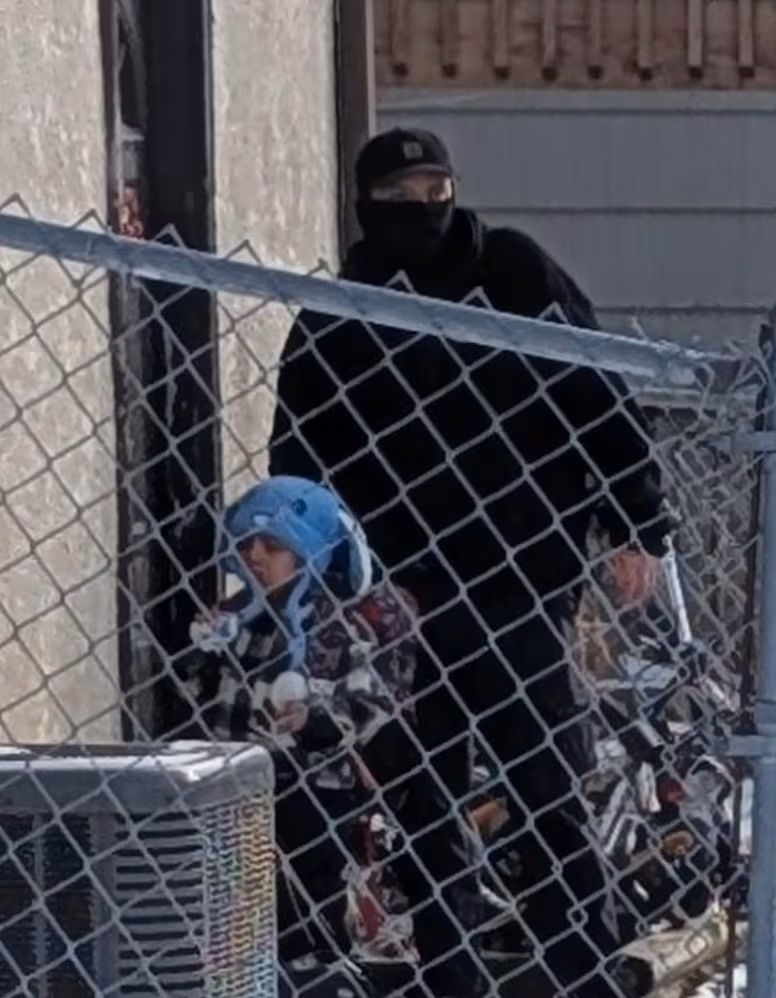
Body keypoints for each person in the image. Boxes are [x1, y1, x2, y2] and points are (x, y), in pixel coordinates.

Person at [267, 129, 673, 997]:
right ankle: (451, 974)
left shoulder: (514, 274)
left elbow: (596, 390)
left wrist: (638, 519)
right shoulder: (338, 314)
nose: (423, 206)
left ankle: (580, 968)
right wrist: (313, 574)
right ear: (366, 204)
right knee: (425, 797)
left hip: (521, 578)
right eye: (401, 193)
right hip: (400, 596)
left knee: (547, 784)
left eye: (435, 185)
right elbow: (300, 456)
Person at [181, 475, 489, 998]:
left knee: (308, 887)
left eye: (274, 546)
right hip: (234, 781)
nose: (256, 555)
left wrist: (315, 721)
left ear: (309, 551)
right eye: (248, 544)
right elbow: (202, 692)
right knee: (232, 890)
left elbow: (369, 701)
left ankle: (313, 973)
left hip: (314, 785)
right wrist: (205, 650)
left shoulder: (339, 621)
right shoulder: (239, 617)